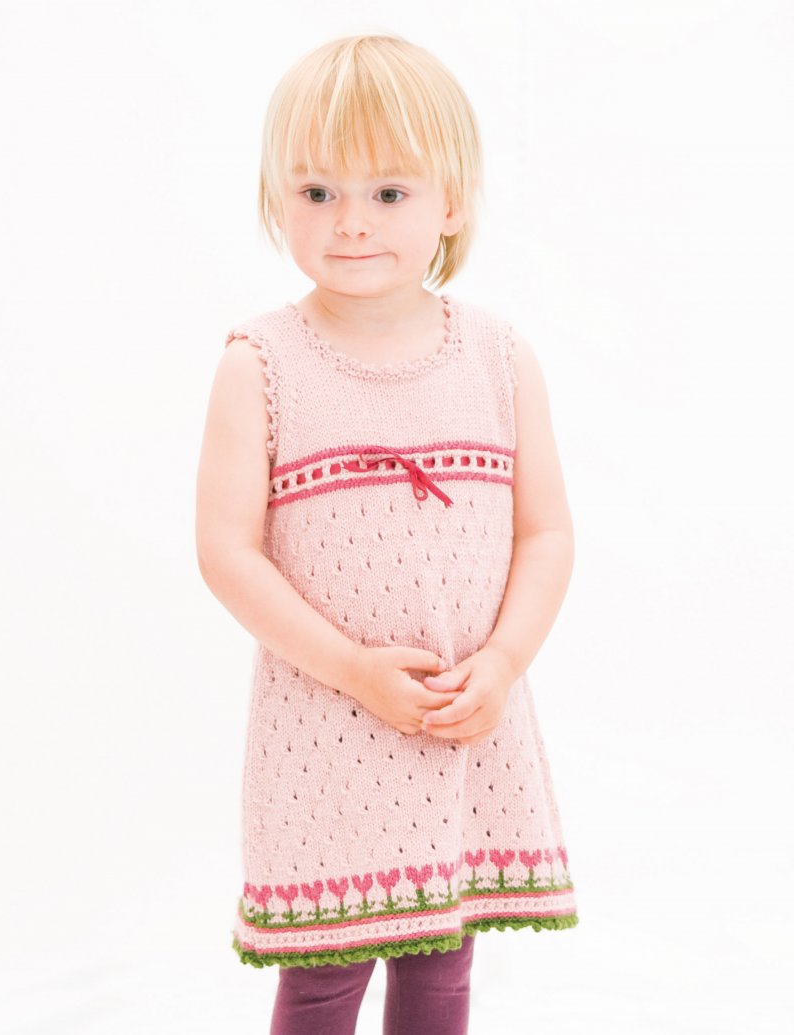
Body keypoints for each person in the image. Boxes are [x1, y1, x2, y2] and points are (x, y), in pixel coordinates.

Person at [195, 30, 579, 1035]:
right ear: (276, 197)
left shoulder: (496, 358)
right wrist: (353, 669)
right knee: (324, 970)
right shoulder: (261, 362)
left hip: (460, 720)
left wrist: (502, 662)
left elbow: (544, 533)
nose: (351, 222)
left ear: (450, 202)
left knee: (442, 957)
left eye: (389, 192)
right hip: (326, 724)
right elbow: (227, 551)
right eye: (317, 191)